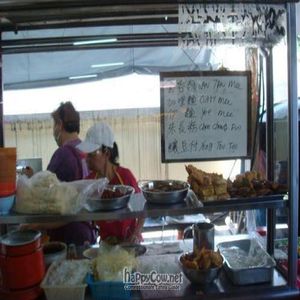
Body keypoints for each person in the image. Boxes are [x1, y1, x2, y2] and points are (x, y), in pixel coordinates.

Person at [22, 102, 97, 245]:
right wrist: (36, 177)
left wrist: (30, 180)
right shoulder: (87, 150)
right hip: (88, 229)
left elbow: (44, 193)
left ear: (60, 125)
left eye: (54, 125)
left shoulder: (62, 153)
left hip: (67, 234)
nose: (54, 130)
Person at [77, 122, 144, 244]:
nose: (87, 159)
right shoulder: (90, 181)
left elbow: (142, 210)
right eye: (86, 155)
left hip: (130, 243)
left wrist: (136, 234)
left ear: (106, 153)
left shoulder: (125, 176)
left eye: (91, 154)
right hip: (107, 245)